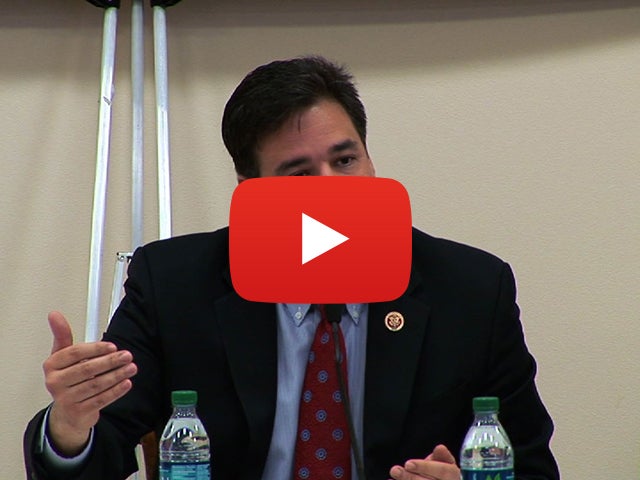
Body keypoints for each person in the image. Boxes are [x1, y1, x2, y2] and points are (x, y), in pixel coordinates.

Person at [24, 56, 560, 480]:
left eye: (345, 160)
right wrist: (70, 427)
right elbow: (99, 449)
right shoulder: (174, 284)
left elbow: (531, 465)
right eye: (299, 174)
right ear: (251, 191)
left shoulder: (470, 289)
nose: (332, 189)